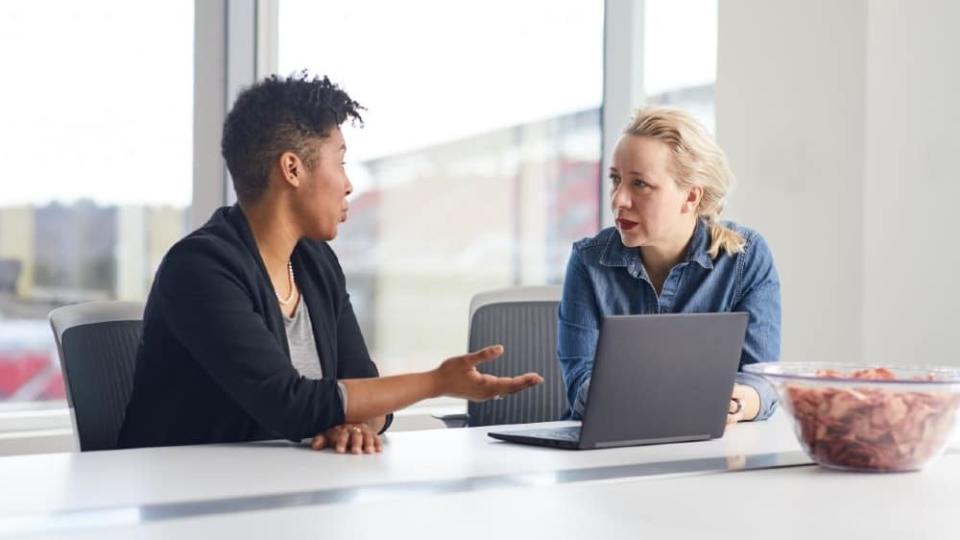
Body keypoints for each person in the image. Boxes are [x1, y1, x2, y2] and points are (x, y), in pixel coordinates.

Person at [117, 73, 543, 453]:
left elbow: (366, 391)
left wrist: (354, 423)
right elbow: (289, 405)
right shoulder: (199, 269)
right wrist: (438, 381)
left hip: (280, 496)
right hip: (188, 504)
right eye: (340, 161)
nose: (349, 183)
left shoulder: (316, 264)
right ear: (292, 169)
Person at [557, 106, 780, 427]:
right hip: (607, 449)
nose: (619, 199)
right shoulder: (589, 261)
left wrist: (735, 404)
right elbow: (581, 384)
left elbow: (761, 380)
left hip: (711, 448)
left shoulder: (746, 257)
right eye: (615, 180)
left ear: (690, 197)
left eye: (640, 184)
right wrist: (688, 399)